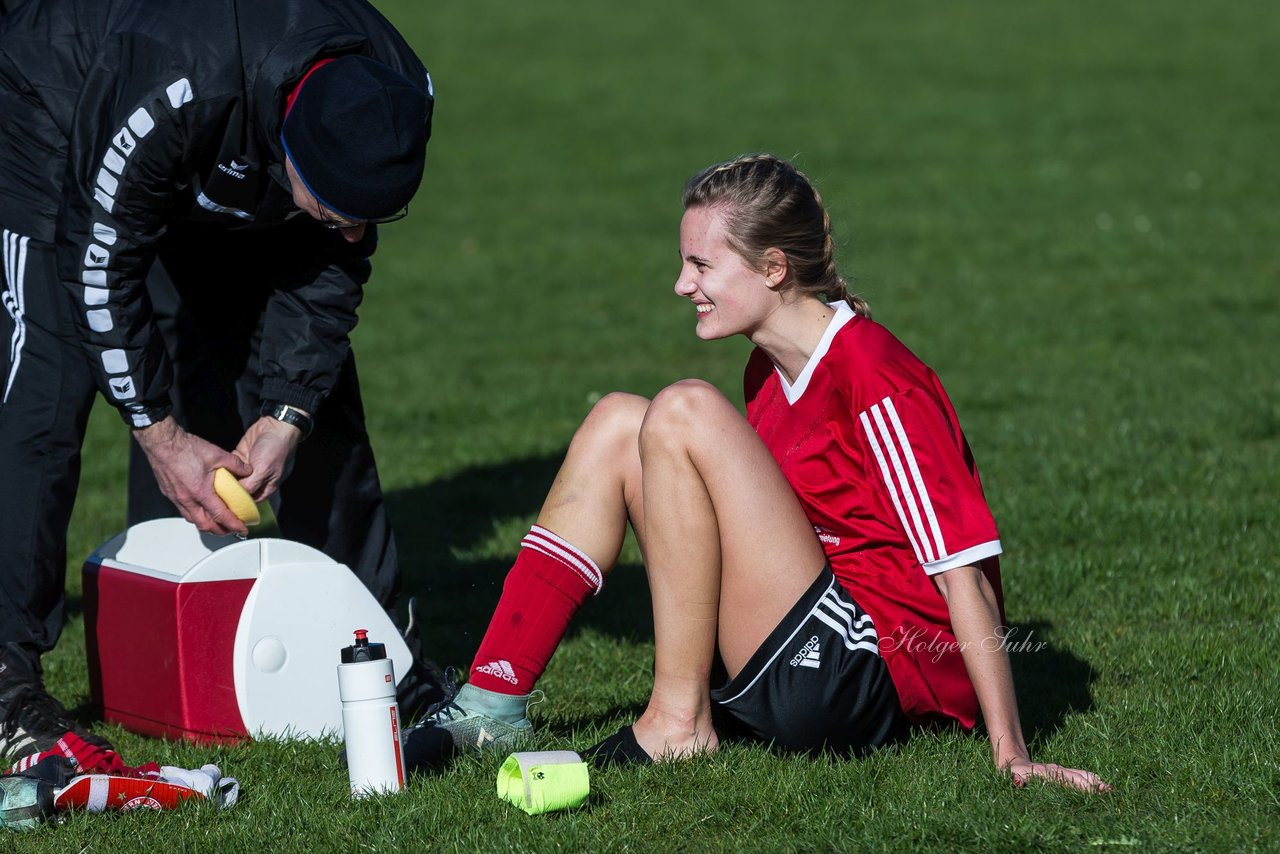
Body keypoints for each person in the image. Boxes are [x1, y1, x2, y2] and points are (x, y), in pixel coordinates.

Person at [404, 154, 1109, 792]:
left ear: (774, 268)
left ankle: (677, 724)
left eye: (701, 266)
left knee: (682, 409)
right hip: (805, 635)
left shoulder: (873, 372)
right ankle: (493, 702)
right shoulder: (766, 370)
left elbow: (965, 571)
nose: (682, 285)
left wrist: (1011, 752)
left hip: (866, 670)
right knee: (620, 420)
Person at [0, 0, 443, 760]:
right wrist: (160, 435)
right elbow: (99, 261)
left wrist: (289, 411)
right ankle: (5, 683)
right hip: (54, 102)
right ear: (289, 152)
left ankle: (384, 658)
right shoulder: (175, 90)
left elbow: (329, 269)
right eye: (335, 211)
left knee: (316, 388)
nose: (354, 233)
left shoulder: (395, 90)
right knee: (47, 390)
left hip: (222, 124)